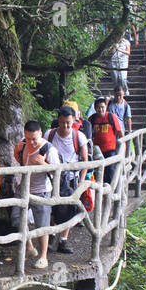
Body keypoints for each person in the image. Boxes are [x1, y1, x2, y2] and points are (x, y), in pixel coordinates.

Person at [14, 121, 60, 270]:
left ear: (40, 134)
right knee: (17, 219)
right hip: (24, 188)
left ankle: (43, 256)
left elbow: (57, 171)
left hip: (42, 190)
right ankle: (29, 247)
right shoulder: (23, 145)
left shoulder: (48, 149)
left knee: (42, 226)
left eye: (34, 138)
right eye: (28, 138)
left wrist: (43, 164)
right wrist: (18, 150)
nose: (31, 142)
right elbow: (20, 158)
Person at [47, 105, 90, 254]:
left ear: (73, 121)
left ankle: (63, 240)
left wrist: (81, 182)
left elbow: (85, 160)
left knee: (68, 209)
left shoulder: (79, 137)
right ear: (58, 120)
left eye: (69, 123)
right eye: (63, 122)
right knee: (53, 207)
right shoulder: (50, 135)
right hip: (53, 178)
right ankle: (52, 236)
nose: (65, 126)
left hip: (72, 178)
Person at [87, 96, 125, 190]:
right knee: (98, 171)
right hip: (97, 150)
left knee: (110, 169)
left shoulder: (111, 117)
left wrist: (123, 146)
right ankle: (100, 191)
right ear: (95, 108)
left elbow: (119, 132)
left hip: (110, 149)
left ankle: (109, 190)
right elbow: (88, 135)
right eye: (98, 107)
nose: (100, 109)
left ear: (105, 107)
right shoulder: (91, 119)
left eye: (102, 107)